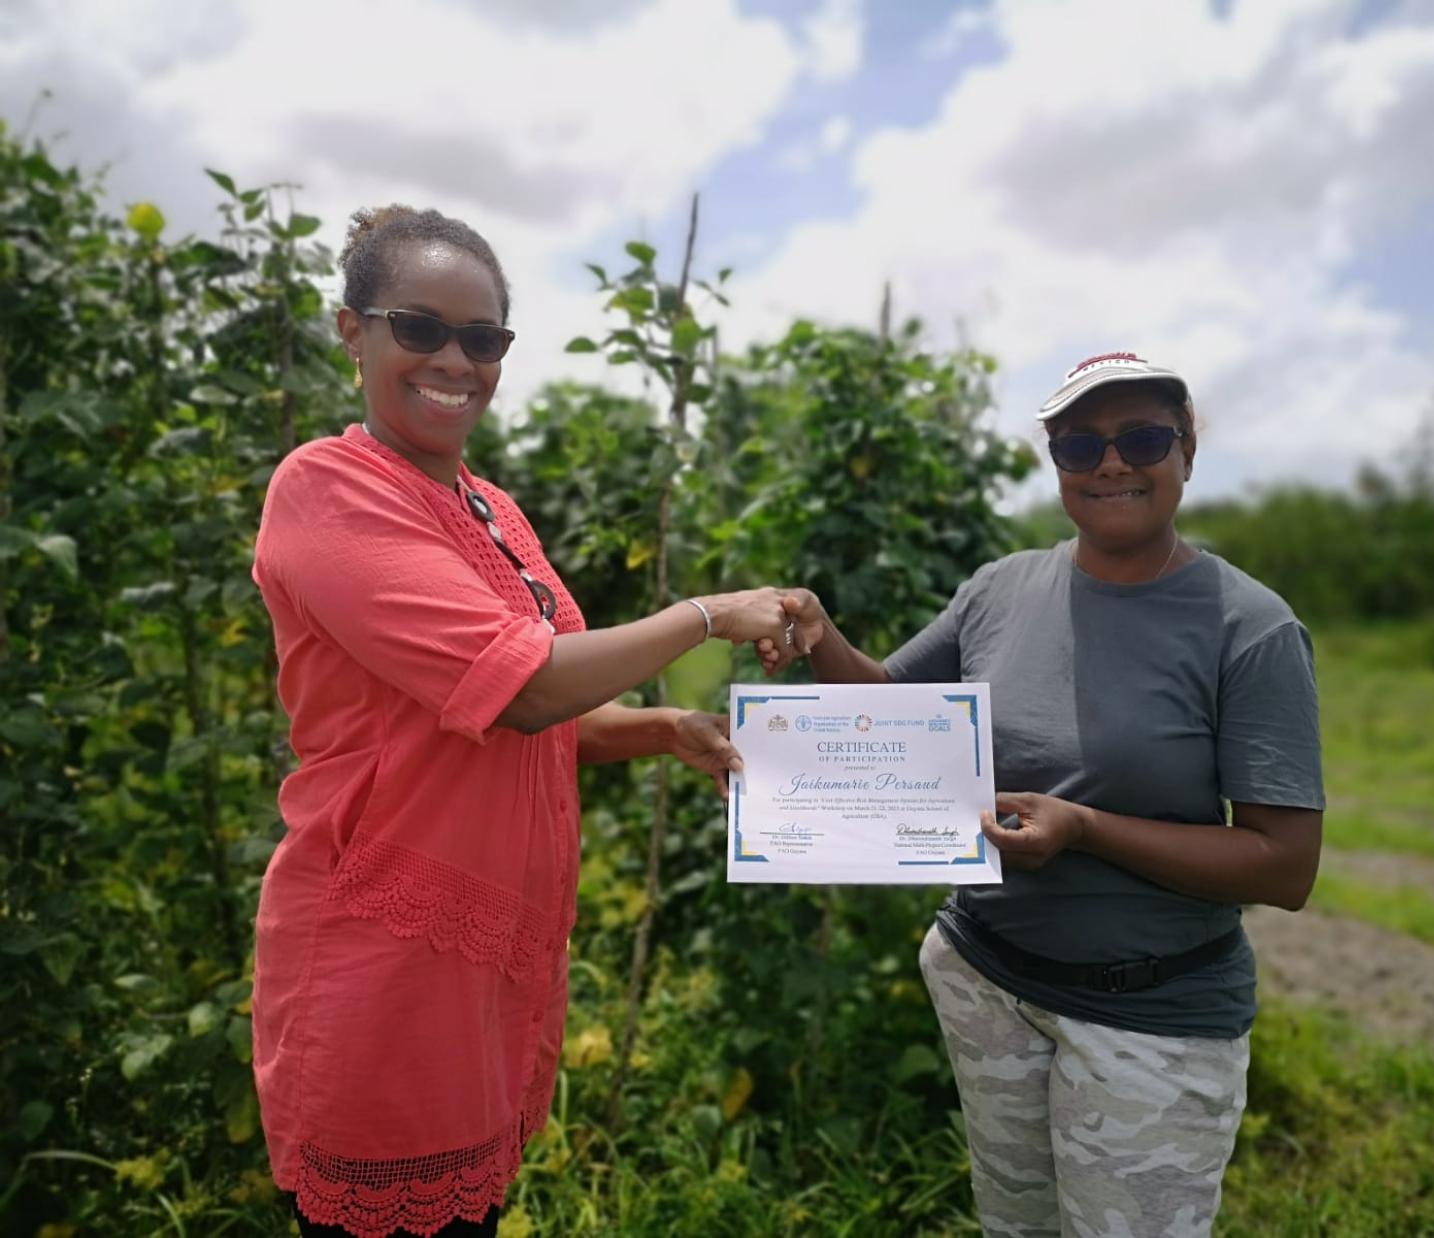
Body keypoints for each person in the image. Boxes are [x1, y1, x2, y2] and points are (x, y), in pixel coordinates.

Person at [251, 204, 793, 1238]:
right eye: (420, 328)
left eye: (483, 338)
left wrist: (661, 727)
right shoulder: (326, 488)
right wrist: (710, 614)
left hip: (489, 953)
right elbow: (527, 685)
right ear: (351, 329)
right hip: (388, 953)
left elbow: (521, 711)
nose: (455, 358)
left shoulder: (492, 508)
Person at [762, 352, 1325, 1237]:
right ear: (1055, 460)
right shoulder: (1001, 588)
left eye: (1143, 438)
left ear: (1187, 454)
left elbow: (1285, 865)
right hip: (988, 983)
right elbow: (893, 710)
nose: (1111, 463)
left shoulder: (1248, 629)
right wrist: (823, 635)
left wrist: (1088, 829)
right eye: (1079, 444)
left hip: (1150, 1022)